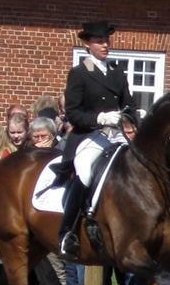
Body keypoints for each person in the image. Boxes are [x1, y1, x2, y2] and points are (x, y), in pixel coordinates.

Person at [57, 20, 133, 258]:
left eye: (106, 41)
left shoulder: (117, 72)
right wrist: (100, 118)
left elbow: (127, 103)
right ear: (88, 44)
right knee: (87, 172)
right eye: (99, 41)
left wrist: (132, 115)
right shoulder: (79, 74)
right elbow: (73, 112)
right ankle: (67, 232)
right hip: (90, 135)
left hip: (116, 134)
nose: (105, 45)